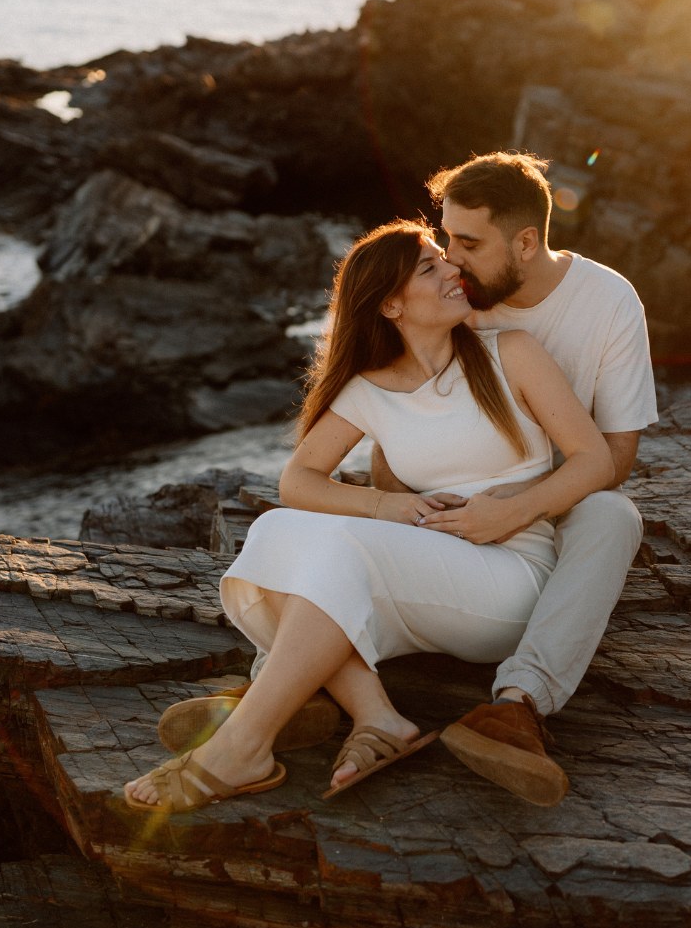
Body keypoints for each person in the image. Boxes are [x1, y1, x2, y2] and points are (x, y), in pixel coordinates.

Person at [124, 220, 613, 815]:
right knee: (277, 528)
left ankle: (244, 743)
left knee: (333, 550)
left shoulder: (509, 352)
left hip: (506, 580)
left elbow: (594, 462)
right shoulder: (367, 389)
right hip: (422, 575)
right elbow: (297, 481)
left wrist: (509, 512)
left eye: (445, 259)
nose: (453, 271)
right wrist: (393, 506)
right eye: (429, 268)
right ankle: (375, 714)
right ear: (389, 304)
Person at [382, 152, 657, 801]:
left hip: (558, 503)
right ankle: (284, 683)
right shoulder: (452, 297)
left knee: (616, 516)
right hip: (443, 498)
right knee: (331, 517)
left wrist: (519, 507)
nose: (450, 258)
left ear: (526, 242)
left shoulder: (609, 302)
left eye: (468, 242)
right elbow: (390, 445)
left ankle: (517, 708)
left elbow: (616, 457)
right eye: (446, 237)